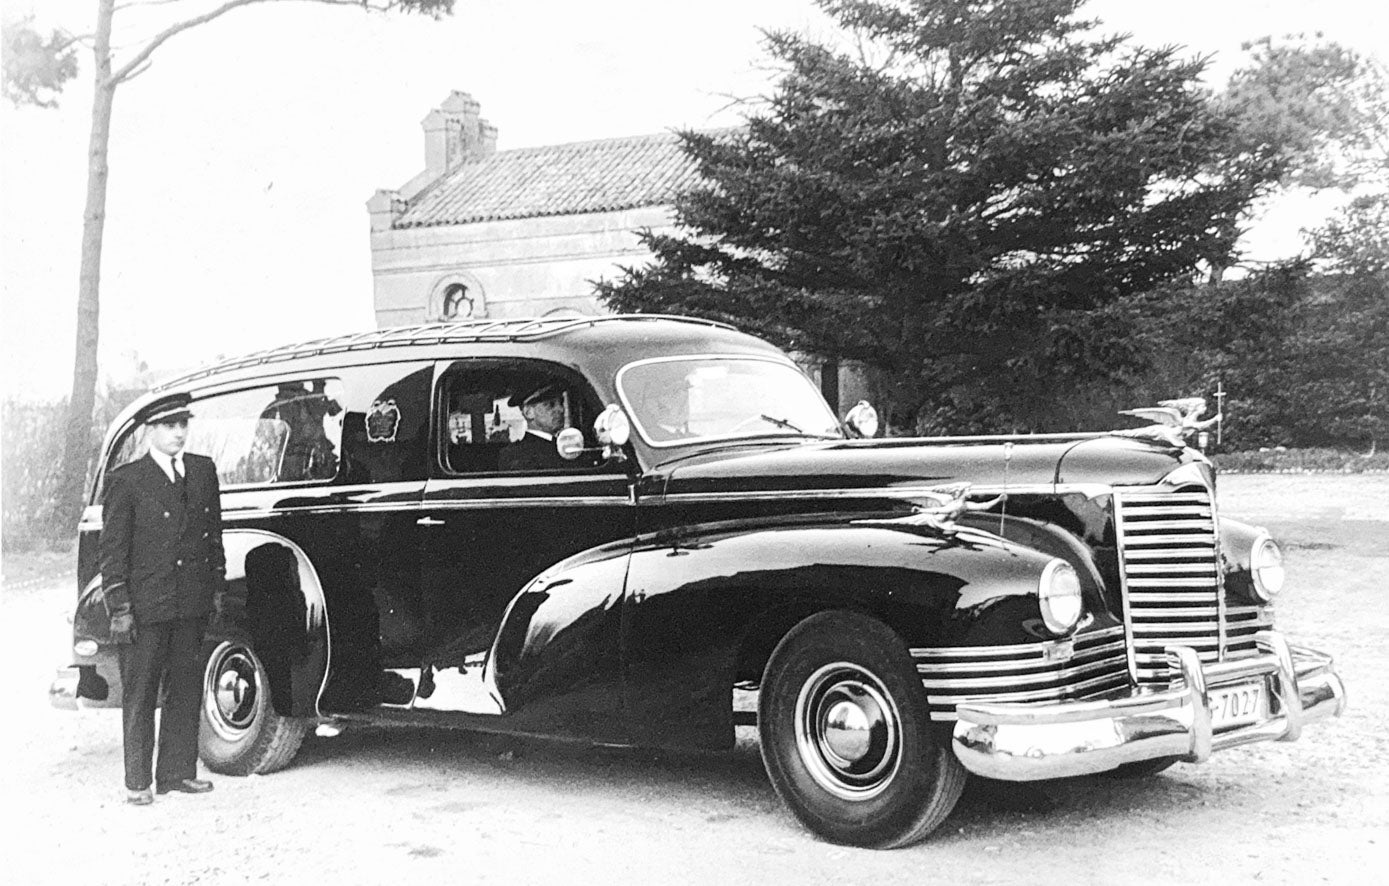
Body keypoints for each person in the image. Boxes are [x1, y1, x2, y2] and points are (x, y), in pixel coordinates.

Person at [100, 397, 226, 806]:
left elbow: (214, 535)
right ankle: (138, 782)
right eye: (169, 425)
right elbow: (112, 553)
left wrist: (215, 587)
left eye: (183, 424)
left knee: (185, 689)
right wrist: (120, 608)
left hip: (190, 602)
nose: (178, 433)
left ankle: (177, 773)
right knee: (140, 695)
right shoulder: (127, 480)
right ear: (150, 431)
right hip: (146, 607)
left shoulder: (203, 471)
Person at [497, 382, 570, 471]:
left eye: (561, 403)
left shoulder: (564, 446)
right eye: (550, 404)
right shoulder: (517, 455)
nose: (561, 409)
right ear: (529, 413)